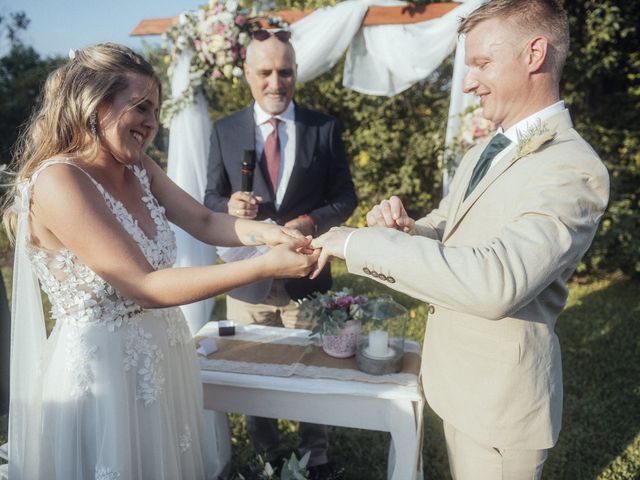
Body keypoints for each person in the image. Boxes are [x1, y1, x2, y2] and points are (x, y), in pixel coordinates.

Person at [310, 1, 610, 479]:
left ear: (534, 53)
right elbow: (445, 225)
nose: (468, 82)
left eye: (482, 63)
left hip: (499, 409)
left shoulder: (572, 166)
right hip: (455, 383)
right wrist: (408, 229)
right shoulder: (481, 152)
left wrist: (357, 244)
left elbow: (495, 284)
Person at [3, 42, 319, 480]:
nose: (152, 123)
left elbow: (206, 220)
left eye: (156, 110)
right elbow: (144, 286)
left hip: (163, 360)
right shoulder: (59, 181)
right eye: (141, 108)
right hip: (103, 380)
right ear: (95, 105)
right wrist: (264, 265)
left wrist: (271, 233)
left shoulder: (137, 167)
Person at [204, 30, 356, 477]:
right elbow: (209, 199)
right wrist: (229, 207)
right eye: (265, 72)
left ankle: (317, 453)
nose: (276, 82)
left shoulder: (323, 128)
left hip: (307, 274)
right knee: (253, 370)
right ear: (248, 74)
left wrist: (308, 222)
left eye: (285, 71)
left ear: (296, 74)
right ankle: (265, 452)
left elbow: (345, 197)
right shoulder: (224, 129)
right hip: (246, 278)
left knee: (314, 366)